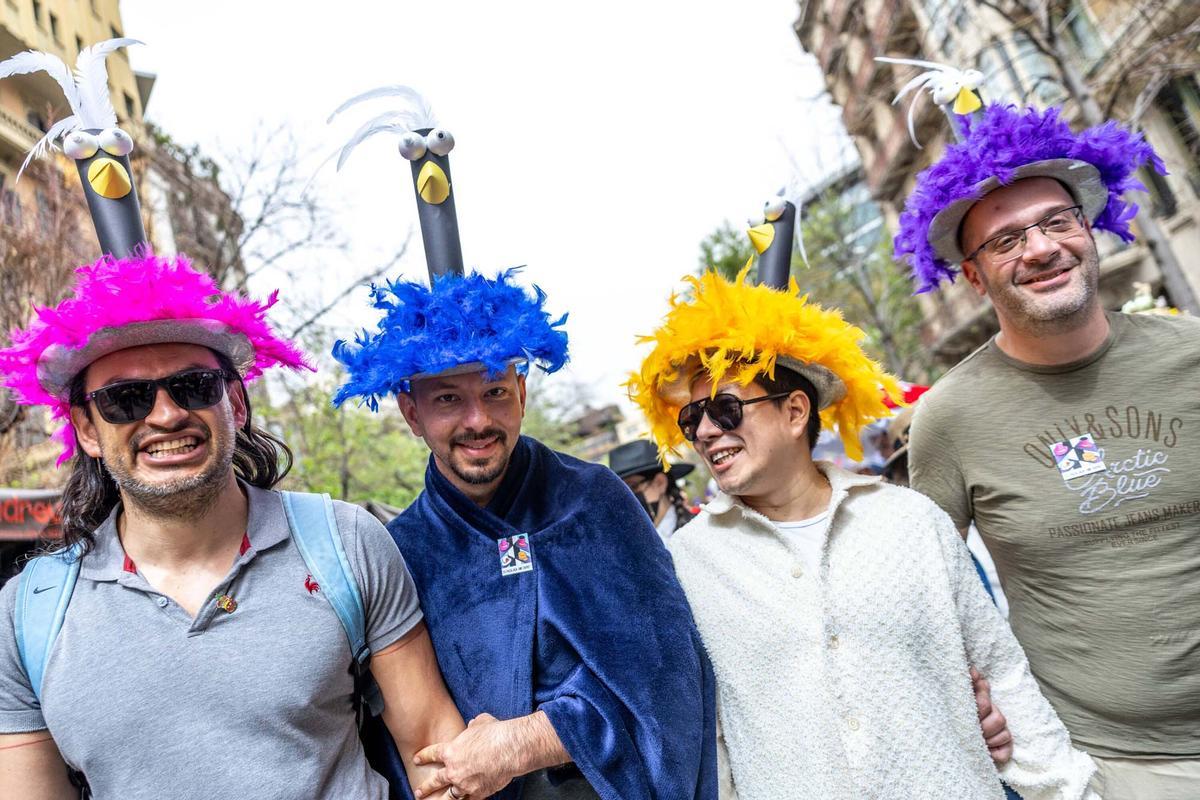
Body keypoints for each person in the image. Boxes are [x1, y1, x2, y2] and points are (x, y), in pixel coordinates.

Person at [328, 85, 716, 800]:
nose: (478, 418)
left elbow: (666, 677)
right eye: (448, 398)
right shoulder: (399, 550)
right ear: (411, 413)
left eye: (496, 393)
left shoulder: (594, 500)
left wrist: (526, 741)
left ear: (523, 393)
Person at [0, 255, 466, 800]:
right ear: (86, 428)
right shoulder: (27, 613)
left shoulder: (346, 542)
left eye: (194, 386)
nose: (167, 415)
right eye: (126, 399)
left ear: (236, 403)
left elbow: (434, 752)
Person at [627, 267, 1097, 799]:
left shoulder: (911, 521)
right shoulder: (685, 565)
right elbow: (709, 740)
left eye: (726, 409)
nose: (708, 431)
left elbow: (1003, 674)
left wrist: (1065, 792)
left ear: (794, 411)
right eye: (692, 420)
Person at [899, 103, 1200, 798]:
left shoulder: (1191, 354)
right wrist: (968, 695)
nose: (1040, 249)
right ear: (972, 277)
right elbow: (929, 594)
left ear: (1088, 232)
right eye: (1005, 240)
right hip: (1112, 761)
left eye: (1056, 222)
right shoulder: (948, 419)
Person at [607, 439, 696, 540]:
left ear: (660, 483)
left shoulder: (698, 530)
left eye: (632, 487)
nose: (626, 498)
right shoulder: (627, 545)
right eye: (618, 492)